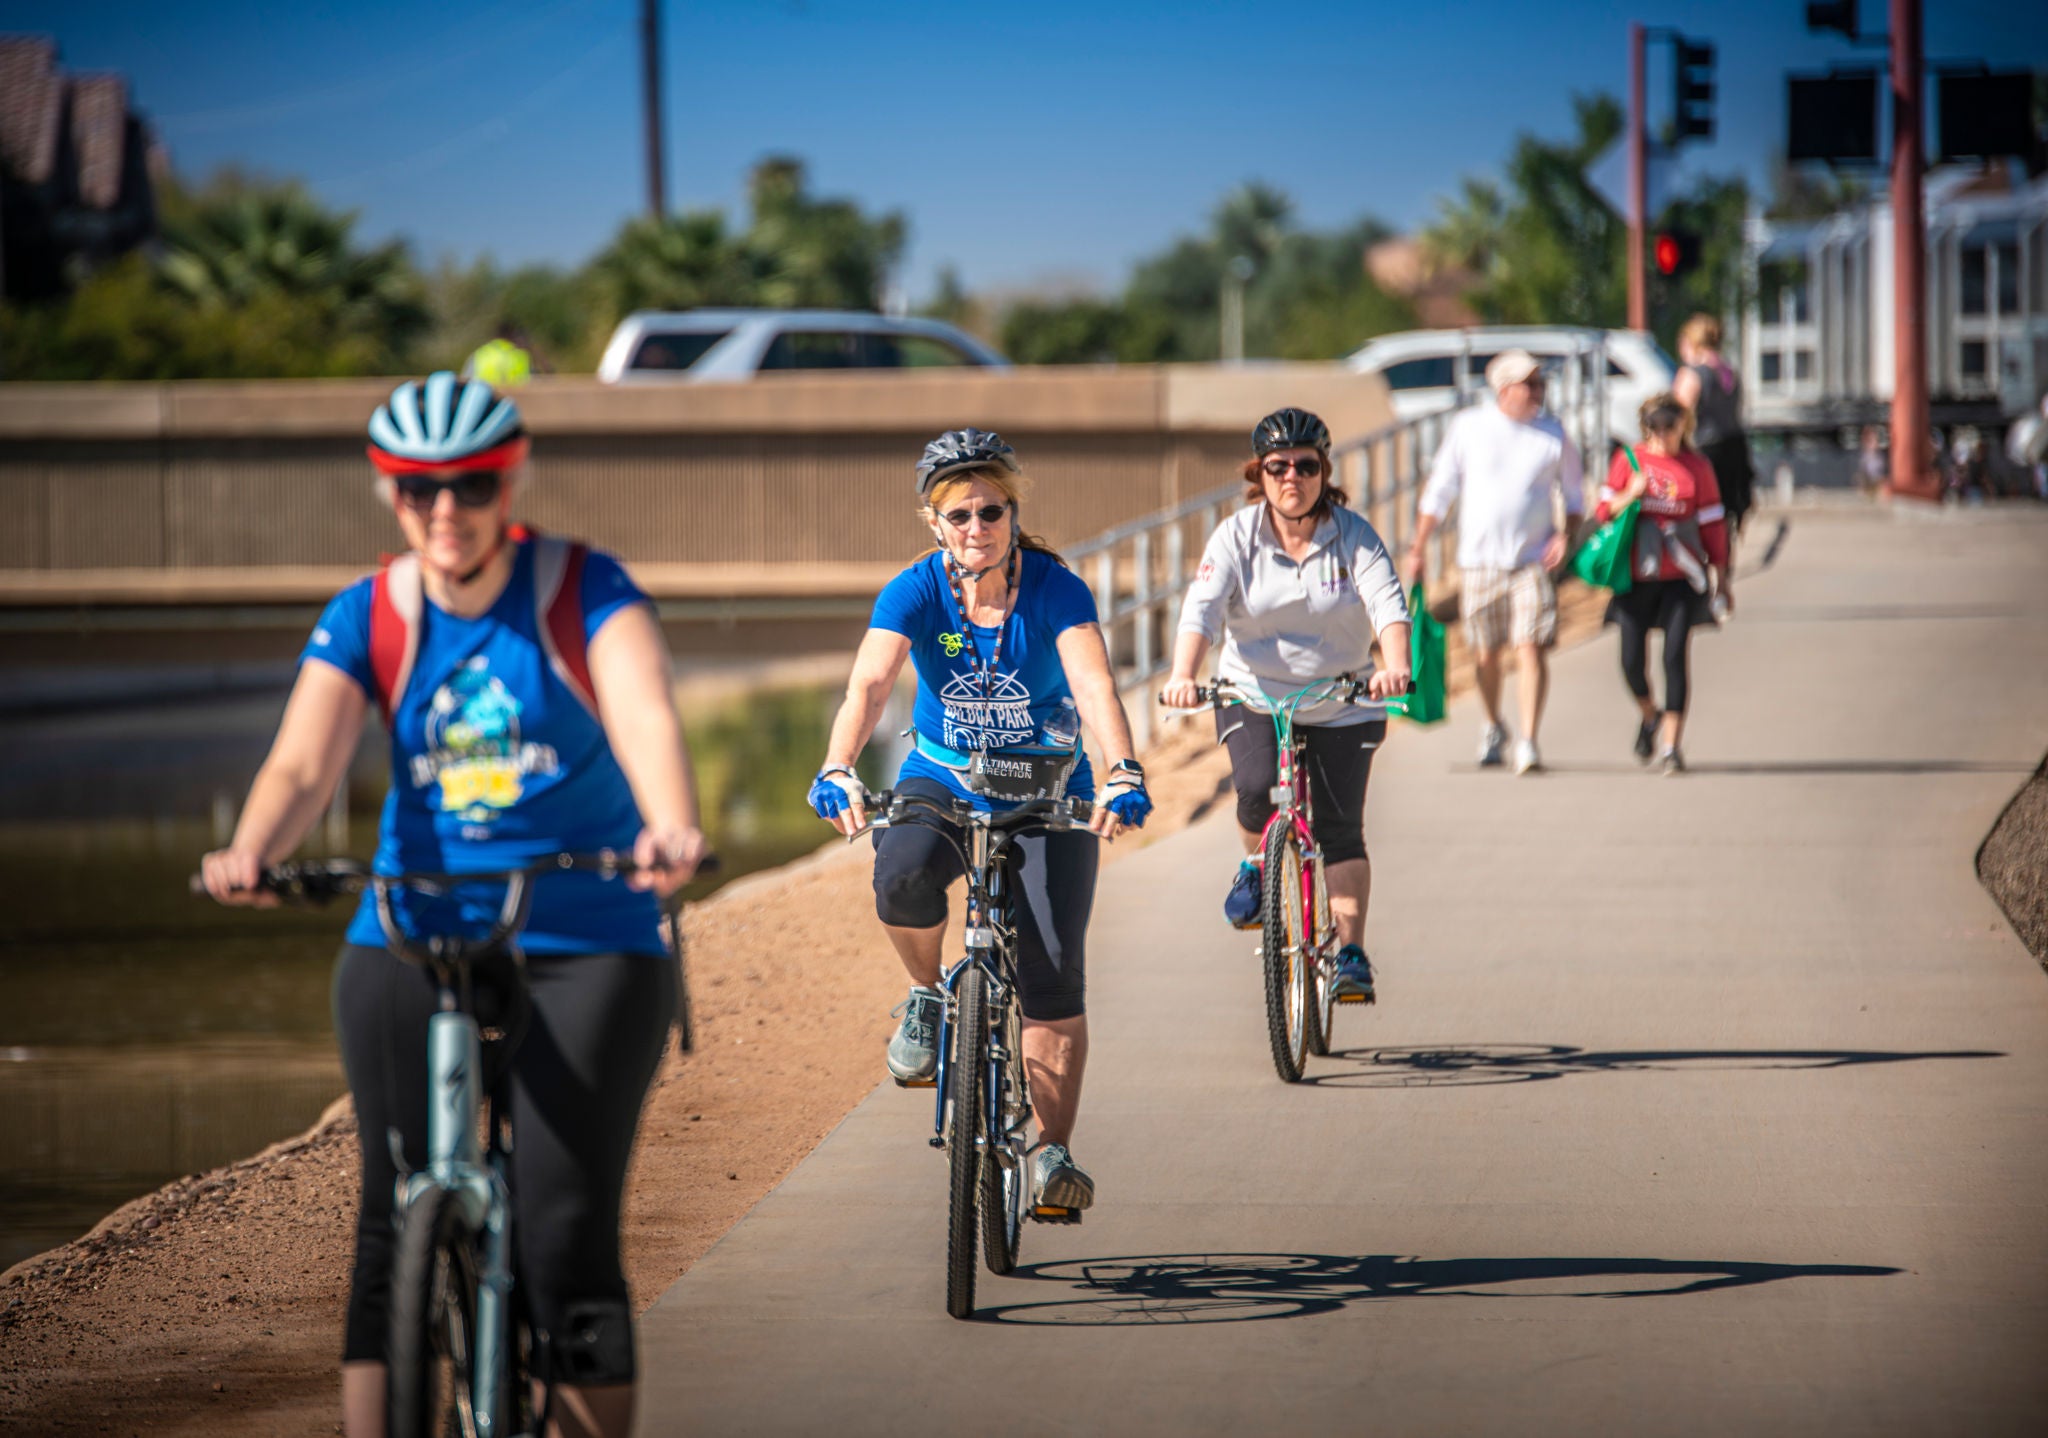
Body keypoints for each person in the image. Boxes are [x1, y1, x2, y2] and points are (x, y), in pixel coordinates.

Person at [199, 372, 707, 1438]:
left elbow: (643, 711)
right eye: (415, 489)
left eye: (469, 485)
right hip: (409, 932)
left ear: (507, 480)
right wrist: (252, 848)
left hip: (588, 933)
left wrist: (667, 826)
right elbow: (303, 761)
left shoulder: (581, 589)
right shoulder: (370, 613)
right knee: (388, 1219)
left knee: (565, 1231)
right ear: (389, 492)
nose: (444, 510)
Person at [807, 429, 1151, 1214]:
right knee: (901, 872)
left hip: (1047, 784)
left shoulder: (1056, 588)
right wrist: (836, 764)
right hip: (945, 776)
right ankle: (927, 996)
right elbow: (868, 685)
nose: (975, 529)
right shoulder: (915, 589)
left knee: (1052, 973)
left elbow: (1094, 685)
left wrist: (1125, 766)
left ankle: (1053, 1152)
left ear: (1012, 510)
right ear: (933, 523)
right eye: (957, 515)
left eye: (990, 511)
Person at [1162, 408, 1412, 1001]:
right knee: (1252, 788)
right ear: (1260, 474)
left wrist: (1395, 666)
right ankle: (1256, 864)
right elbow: (1201, 610)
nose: (1291, 477)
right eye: (1277, 467)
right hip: (1254, 693)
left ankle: (1349, 952)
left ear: (1324, 471)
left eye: (1305, 465)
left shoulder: (1353, 535)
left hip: (1342, 697)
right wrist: (1181, 674)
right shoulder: (1235, 537)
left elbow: (1388, 604)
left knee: (1340, 829)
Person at [1402, 349, 1584, 776]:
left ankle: (1529, 739)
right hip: (1479, 562)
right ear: (1504, 389)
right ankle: (1491, 723)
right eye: (1529, 384)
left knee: (1531, 647)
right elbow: (1440, 488)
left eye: (1540, 384)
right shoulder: (1470, 428)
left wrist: (1565, 534)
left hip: (1532, 561)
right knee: (1485, 653)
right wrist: (1419, 544)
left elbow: (1574, 495)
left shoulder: (1553, 433)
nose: (1538, 392)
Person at [1594, 394, 1730, 775]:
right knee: (1631, 662)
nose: (1663, 436)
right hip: (1636, 576)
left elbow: (1713, 525)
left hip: (1680, 578)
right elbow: (1603, 511)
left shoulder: (1696, 467)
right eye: (1655, 428)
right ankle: (1649, 714)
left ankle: (1671, 746)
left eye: (1670, 427)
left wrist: (1723, 577)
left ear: (1682, 426)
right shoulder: (1629, 460)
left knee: (1674, 657)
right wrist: (1629, 494)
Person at [1672, 313, 1755, 534]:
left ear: (1692, 342)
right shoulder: (1729, 371)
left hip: (1707, 451)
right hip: (1735, 447)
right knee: (1727, 512)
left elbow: (1677, 415)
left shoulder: (1692, 374)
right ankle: (1724, 561)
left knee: (1705, 514)